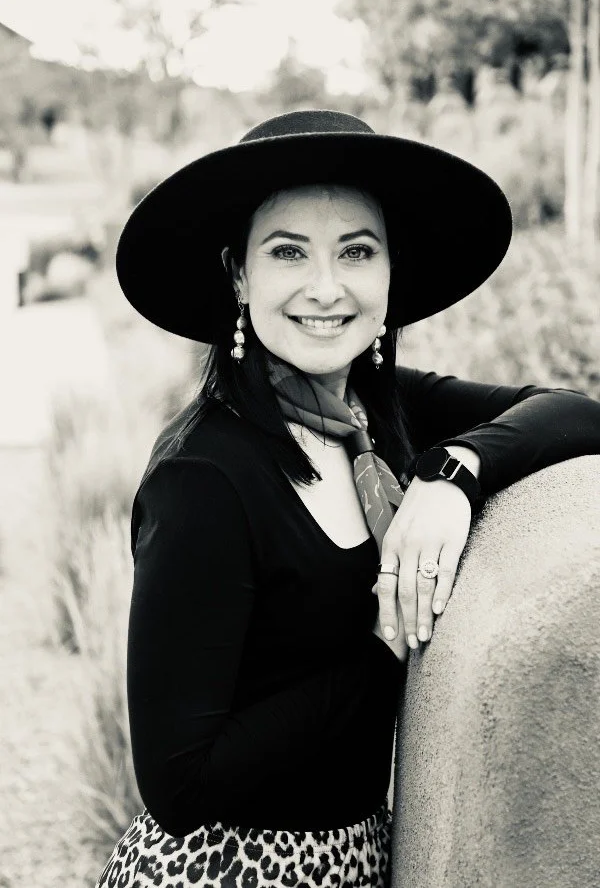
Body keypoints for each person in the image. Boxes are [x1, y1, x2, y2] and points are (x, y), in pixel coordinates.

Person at [95, 110, 600, 888]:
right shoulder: (203, 478)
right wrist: (387, 638)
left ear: (391, 273)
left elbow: (573, 408)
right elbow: (178, 785)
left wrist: (454, 472)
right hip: (231, 872)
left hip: (359, 856)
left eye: (356, 251)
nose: (325, 289)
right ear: (239, 274)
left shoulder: (380, 410)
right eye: (288, 251)